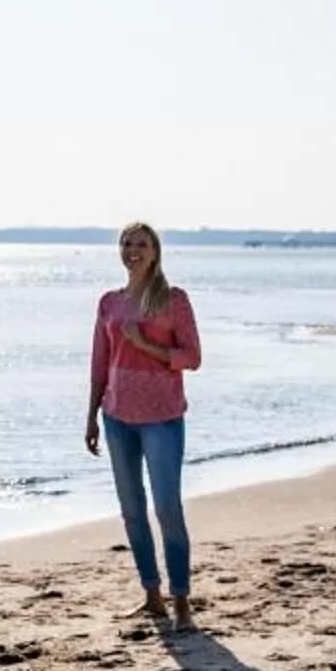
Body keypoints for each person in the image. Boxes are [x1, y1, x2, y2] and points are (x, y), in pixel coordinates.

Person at [85, 220, 203, 628]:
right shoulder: (109, 303)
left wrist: (145, 345)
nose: (132, 249)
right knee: (132, 511)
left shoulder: (173, 300)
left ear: (155, 252)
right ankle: (152, 595)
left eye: (141, 243)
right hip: (116, 417)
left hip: (163, 418)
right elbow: (100, 363)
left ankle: (182, 600)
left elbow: (192, 357)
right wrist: (91, 416)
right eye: (126, 243)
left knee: (167, 508)